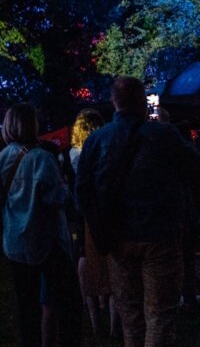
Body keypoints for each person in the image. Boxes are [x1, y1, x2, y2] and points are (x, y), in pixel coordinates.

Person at [75, 76, 200, 347]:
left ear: (114, 102)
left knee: (131, 316)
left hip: (117, 238)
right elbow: (197, 168)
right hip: (160, 234)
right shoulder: (163, 135)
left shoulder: (96, 141)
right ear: (143, 103)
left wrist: (99, 231)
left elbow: (83, 191)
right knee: (159, 315)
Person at [0, 103, 81, 347]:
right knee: (66, 301)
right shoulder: (42, 159)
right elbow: (58, 198)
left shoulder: (0, 158)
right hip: (47, 240)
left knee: (26, 304)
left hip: (15, 242)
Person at [67, 109, 116, 337]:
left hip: (80, 211)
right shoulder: (105, 152)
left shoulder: (72, 155)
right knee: (111, 259)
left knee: (83, 256)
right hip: (105, 209)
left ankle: (95, 321)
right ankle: (115, 322)